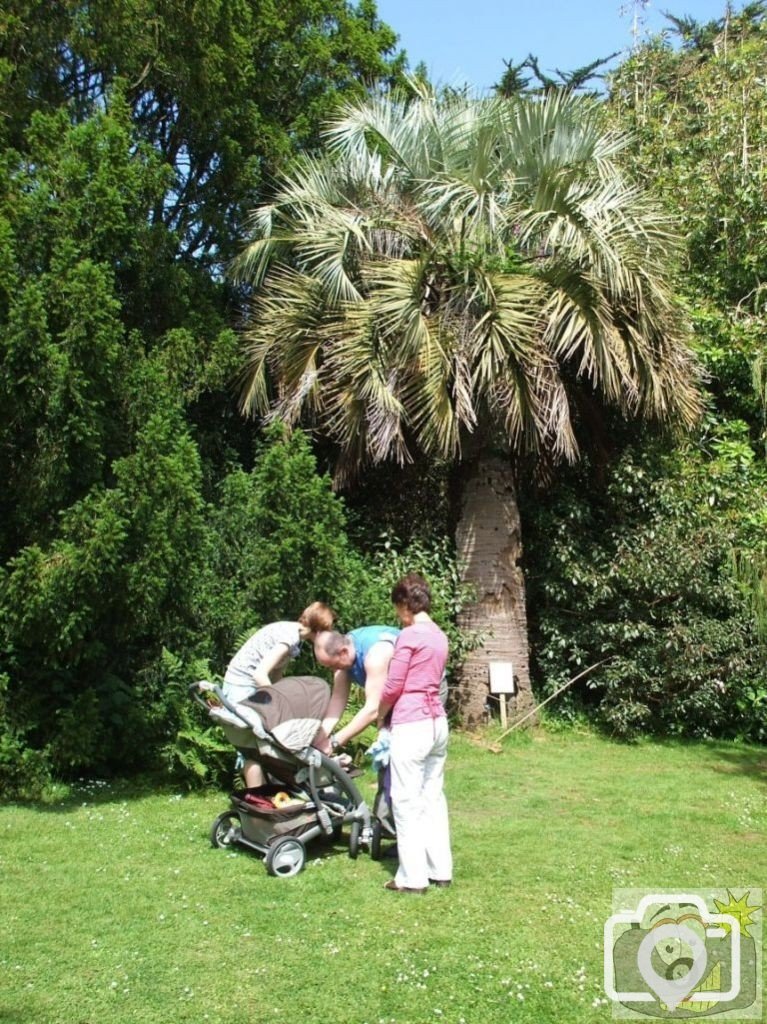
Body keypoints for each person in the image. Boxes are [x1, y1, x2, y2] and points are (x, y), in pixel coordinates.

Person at [377, 573, 451, 894]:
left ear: (405, 604)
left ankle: (412, 878)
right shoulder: (440, 636)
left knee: (405, 799)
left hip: (412, 722)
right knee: (432, 796)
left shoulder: (409, 636)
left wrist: (381, 716)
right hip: (438, 722)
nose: (398, 614)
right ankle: (440, 870)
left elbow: (393, 686)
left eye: (398, 607)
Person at [221, 601, 335, 787]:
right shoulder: (288, 637)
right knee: (253, 747)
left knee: (266, 744)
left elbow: (276, 674)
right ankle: (258, 801)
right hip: (241, 687)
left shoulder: (293, 638)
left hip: (246, 686)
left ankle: (269, 794)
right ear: (319, 629)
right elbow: (260, 674)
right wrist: (280, 700)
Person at [313, 625, 400, 754]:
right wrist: (319, 739)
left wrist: (333, 742)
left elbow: (373, 709)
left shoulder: (376, 656)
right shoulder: (344, 653)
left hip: (423, 692)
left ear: (344, 652)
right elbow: (338, 699)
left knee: (406, 755)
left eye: (333, 665)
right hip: (393, 697)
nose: (333, 670)